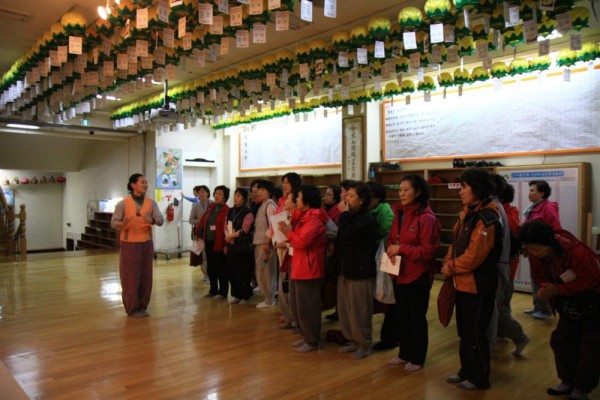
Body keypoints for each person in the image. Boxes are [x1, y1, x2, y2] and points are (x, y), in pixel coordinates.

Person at [519, 221, 600, 400]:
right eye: (530, 249)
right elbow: (538, 276)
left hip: (592, 301)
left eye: (536, 249)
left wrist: (557, 289)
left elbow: (592, 279)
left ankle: (582, 388)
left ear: (548, 242)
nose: (533, 253)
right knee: (562, 341)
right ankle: (567, 381)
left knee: (589, 345)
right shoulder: (536, 255)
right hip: (567, 302)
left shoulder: (576, 252)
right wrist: (545, 288)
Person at [441, 168, 502, 391]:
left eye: (464, 187)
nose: (460, 192)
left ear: (477, 189)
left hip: (478, 285)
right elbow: (456, 243)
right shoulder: (469, 213)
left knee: (475, 333)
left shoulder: (487, 218)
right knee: (465, 332)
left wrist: (451, 267)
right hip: (463, 283)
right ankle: (466, 370)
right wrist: (448, 260)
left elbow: (475, 256)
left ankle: (479, 378)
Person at [385, 175, 441, 371]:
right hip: (399, 273)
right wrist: (391, 250)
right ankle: (404, 354)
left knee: (416, 318)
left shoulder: (427, 219)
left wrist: (401, 249)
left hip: (418, 275)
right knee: (402, 316)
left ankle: (417, 358)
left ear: (418, 192)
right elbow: (392, 239)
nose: (401, 193)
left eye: (406, 190)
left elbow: (428, 251)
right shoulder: (399, 213)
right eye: (400, 190)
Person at [279, 185, 329, 353]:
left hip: (310, 269)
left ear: (307, 200)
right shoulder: (304, 216)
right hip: (300, 266)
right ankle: (305, 336)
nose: (297, 199)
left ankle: (312, 339)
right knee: (299, 306)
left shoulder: (314, 218)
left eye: (299, 197)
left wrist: (288, 232)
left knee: (309, 307)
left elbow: (302, 241)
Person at [333, 181, 379, 360]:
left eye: (351, 196)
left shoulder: (366, 219)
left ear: (362, 200)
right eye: (347, 195)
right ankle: (352, 340)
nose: (346, 198)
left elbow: (350, 234)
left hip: (360, 272)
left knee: (360, 311)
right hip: (345, 270)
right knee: (345, 309)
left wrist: (343, 214)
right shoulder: (349, 217)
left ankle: (364, 344)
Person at [111, 173, 164, 318]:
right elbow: (113, 222)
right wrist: (122, 223)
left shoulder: (151, 203)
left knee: (146, 276)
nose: (145, 185)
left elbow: (160, 220)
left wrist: (152, 220)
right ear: (133, 185)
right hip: (129, 244)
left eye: (146, 182)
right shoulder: (123, 203)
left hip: (146, 243)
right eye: (142, 182)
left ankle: (142, 306)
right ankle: (132, 308)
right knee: (130, 276)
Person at [487, 174, 529, 355]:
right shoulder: (508, 211)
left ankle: (519, 336)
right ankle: (500, 334)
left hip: (505, 268)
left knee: (499, 307)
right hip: (507, 267)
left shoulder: (500, 212)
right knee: (501, 305)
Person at [524, 179, 563, 320]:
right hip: (534, 251)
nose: (529, 193)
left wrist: (547, 249)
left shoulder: (548, 207)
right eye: (529, 190)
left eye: (532, 191)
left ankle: (546, 309)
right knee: (535, 277)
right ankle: (538, 306)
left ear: (542, 193)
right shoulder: (534, 208)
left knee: (543, 278)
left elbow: (555, 229)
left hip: (543, 252)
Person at [365, 181, 395, 351]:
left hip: (385, 257)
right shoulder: (371, 210)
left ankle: (390, 337)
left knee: (389, 296)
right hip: (375, 257)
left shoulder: (384, 210)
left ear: (376, 197)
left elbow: (386, 234)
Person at [275, 173, 302, 328]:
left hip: (291, 250)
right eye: (283, 182)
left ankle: (293, 319)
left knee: (289, 287)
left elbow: (297, 238)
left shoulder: (299, 215)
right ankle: (288, 316)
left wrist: (285, 243)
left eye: (287, 182)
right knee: (284, 285)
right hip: (281, 245)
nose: (284, 185)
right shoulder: (281, 201)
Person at [195, 185, 230, 299]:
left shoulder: (227, 210)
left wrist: (226, 244)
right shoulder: (211, 207)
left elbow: (227, 228)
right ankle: (213, 290)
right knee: (211, 267)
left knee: (221, 268)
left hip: (219, 242)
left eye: (219, 194)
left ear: (225, 197)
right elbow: (203, 221)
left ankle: (223, 292)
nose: (216, 196)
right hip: (209, 240)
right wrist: (197, 233)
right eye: (216, 193)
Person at [224, 188, 254, 305]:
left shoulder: (248, 212)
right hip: (231, 244)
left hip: (242, 245)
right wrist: (228, 236)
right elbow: (225, 226)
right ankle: (236, 295)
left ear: (244, 199)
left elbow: (244, 230)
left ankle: (245, 296)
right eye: (235, 195)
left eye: (239, 196)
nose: (235, 198)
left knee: (243, 271)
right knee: (232, 271)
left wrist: (231, 236)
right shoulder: (230, 211)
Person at [253, 180, 278, 308]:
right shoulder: (263, 204)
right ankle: (268, 297)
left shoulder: (270, 205)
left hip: (265, 243)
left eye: (263, 190)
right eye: (259, 189)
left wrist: (267, 243)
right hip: (259, 242)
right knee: (261, 270)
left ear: (269, 192)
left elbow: (273, 225)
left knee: (267, 272)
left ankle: (269, 299)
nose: (259, 192)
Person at [188, 185, 212, 283]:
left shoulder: (213, 204)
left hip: (211, 234)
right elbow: (191, 220)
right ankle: (206, 275)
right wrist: (200, 221)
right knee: (203, 255)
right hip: (200, 234)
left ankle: (212, 275)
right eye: (199, 192)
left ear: (207, 193)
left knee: (211, 255)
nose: (201, 194)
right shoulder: (196, 206)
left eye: (203, 192)